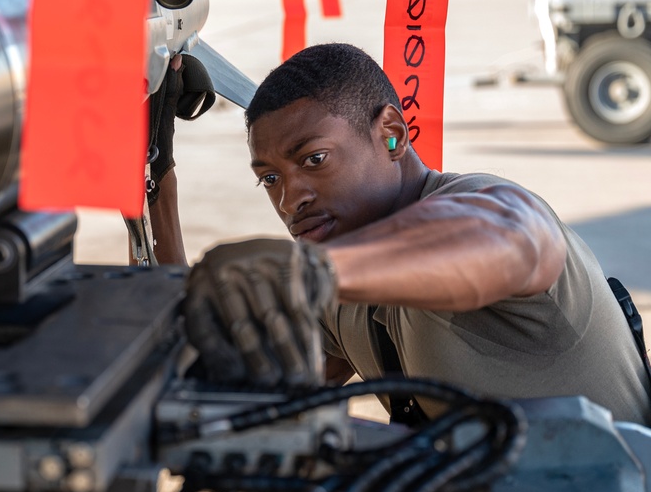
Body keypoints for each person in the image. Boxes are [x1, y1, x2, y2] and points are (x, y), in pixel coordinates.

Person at [167, 42, 651, 426]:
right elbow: (240, 400)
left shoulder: (483, 205)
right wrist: (155, 175)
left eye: (314, 160)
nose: (290, 199)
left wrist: (305, 272)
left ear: (392, 134)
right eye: (270, 178)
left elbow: (507, 240)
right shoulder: (345, 280)